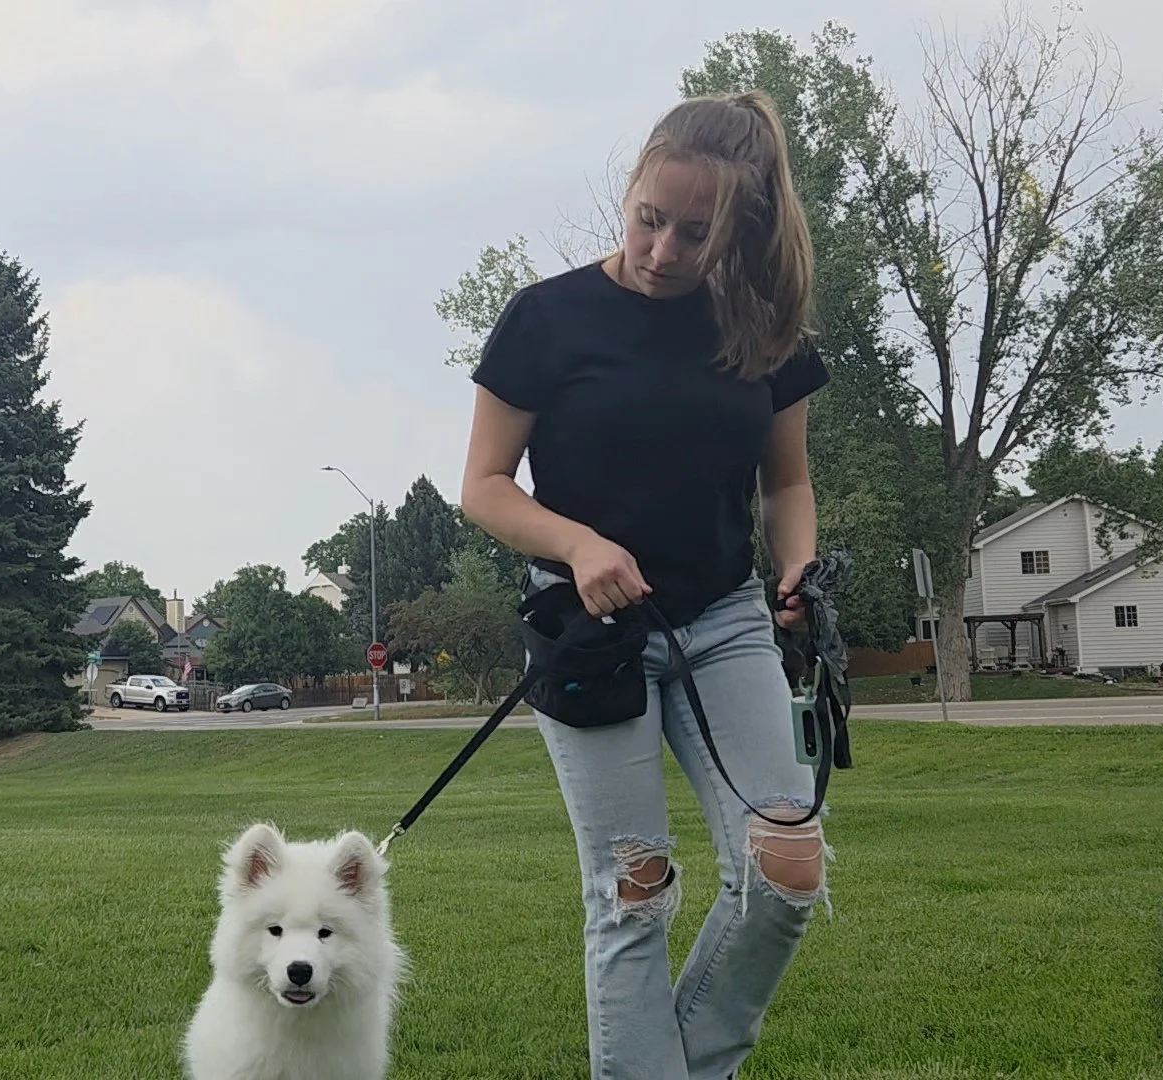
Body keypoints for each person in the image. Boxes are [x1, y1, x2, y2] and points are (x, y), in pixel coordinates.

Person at [459, 90, 832, 1080]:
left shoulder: (764, 328)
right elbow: (484, 488)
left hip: (727, 623)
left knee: (786, 869)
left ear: (736, 231)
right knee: (637, 887)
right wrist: (579, 545)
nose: (662, 249)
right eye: (648, 219)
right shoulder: (545, 319)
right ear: (628, 191)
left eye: (694, 232)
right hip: (593, 637)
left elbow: (787, 483)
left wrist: (797, 561)